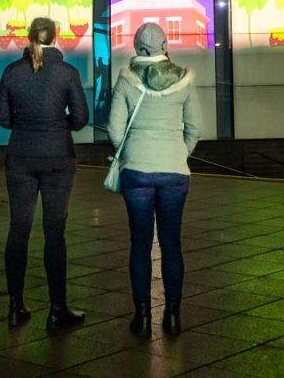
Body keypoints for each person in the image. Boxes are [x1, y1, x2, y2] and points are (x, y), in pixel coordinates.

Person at [0, 17, 89, 329]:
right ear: (55, 37)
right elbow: (80, 120)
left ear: (30, 37)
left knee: (18, 230)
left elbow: (3, 120)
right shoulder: (67, 73)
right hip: (58, 158)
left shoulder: (12, 72)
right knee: (54, 232)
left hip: (20, 157)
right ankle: (57, 308)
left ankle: (15, 305)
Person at [109, 22, 202, 337]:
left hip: (137, 171)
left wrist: (130, 152)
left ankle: (143, 317)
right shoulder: (185, 81)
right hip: (175, 171)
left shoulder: (125, 80)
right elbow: (195, 128)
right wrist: (180, 153)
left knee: (139, 244)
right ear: (164, 46)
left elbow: (113, 129)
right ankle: (173, 317)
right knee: (172, 243)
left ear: (138, 49)